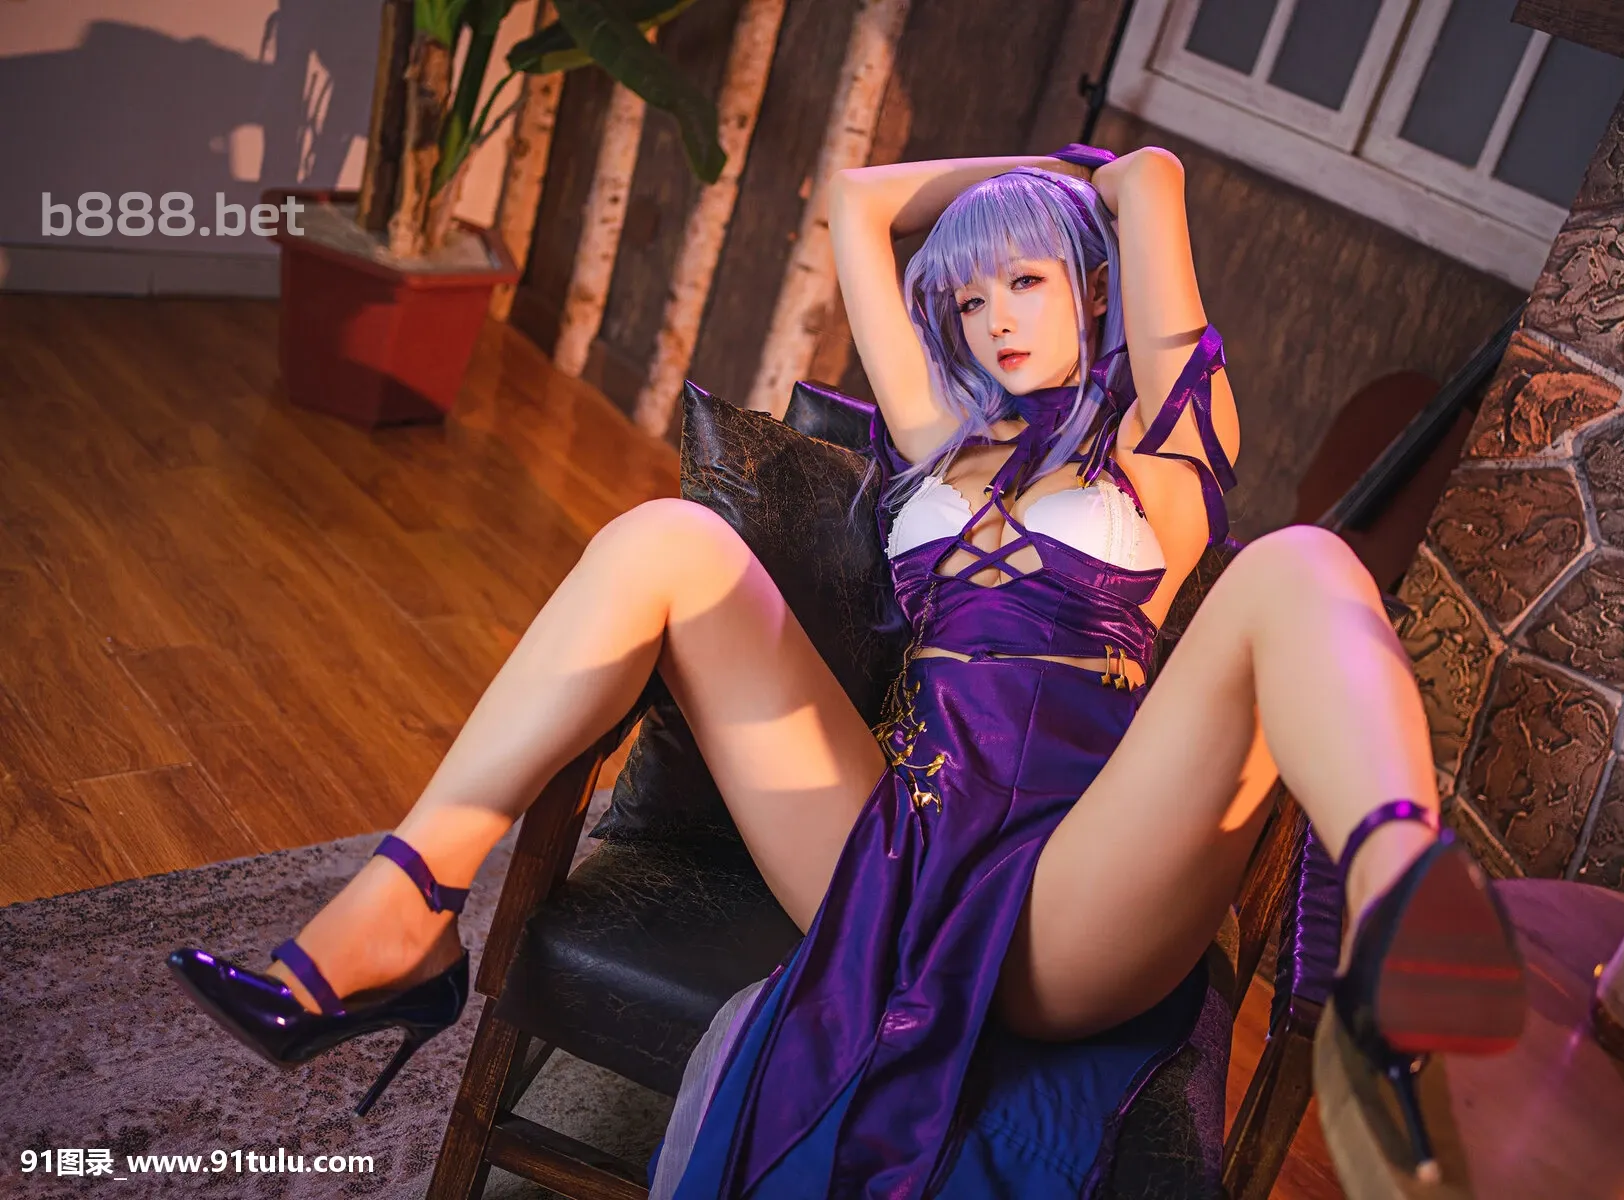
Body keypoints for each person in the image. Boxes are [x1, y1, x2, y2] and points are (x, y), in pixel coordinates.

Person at [168, 145, 1526, 1195]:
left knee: (1299, 561)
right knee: (665, 540)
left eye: (1028, 280)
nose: (994, 319)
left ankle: (1400, 900)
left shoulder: (1163, 452)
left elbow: (1154, 178)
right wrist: (1021, 190)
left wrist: (1092, 184)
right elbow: (860, 200)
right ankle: (405, 909)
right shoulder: (941, 439)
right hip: (887, 847)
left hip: (1070, 889)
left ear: (1097, 286)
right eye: (969, 295)